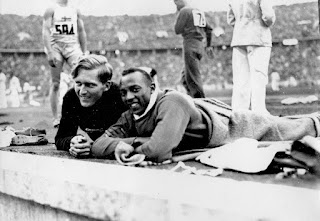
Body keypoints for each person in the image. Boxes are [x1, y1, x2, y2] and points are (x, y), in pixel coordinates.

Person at [91, 68, 320, 163]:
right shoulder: (130, 114)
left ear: (152, 89)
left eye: (135, 89)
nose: (129, 97)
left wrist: (128, 144)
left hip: (237, 127)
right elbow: (98, 144)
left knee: (302, 127)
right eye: (123, 92)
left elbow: (159, 150)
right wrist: (129, 144)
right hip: (212, 132)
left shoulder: (171, 102)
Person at [55, 54, 128, 158]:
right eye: (78, 83)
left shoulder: (121, 97)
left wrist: (94, 147)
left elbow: (133, 137)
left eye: (90, 85)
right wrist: (73, 142)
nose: (82, 91)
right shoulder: (71, 97)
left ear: (106, 85)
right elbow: (61, 138)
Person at [43, 0, 87, 127]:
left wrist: (84, 52)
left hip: (73, 46)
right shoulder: (52, 9)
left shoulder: (75, 9)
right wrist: (50, 52)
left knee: (82, 79)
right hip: (56, 45)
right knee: (56, 83)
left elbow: (81, 31)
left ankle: (81, 115)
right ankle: (56, 118)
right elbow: (45, 30)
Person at [227, 0, 276, 114]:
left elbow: (230, 19)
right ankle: (258, 112)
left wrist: (242, 25)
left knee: (240, 80)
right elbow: (268, 16)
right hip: (258, 37)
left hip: (239, 37)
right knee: (258, 78)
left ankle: (239, 113)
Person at [173, 0, 214, 98]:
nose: (175, 5)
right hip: (199, 45)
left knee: (193, 78)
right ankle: (191, 98)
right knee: (185, 77)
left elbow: (177, 30)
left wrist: (179, 17)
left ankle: (200, 101)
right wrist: (208, 45)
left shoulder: (184, 11)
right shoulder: (197, 11)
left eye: (176, 2)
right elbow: (209, 29)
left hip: (190, 44)